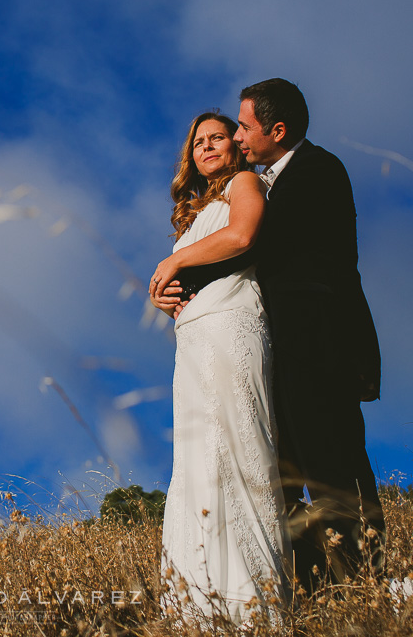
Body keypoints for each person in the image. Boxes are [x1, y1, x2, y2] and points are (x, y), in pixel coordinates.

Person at [231, 78, 384, 592]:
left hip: (320, 350)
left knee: (334, 469)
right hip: (280, 356)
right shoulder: (265, 181)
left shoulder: (319, 170)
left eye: (245, 127)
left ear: (278, 129)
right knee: (286, 477)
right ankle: (312, 588)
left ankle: (361, 584)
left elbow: (272, 250)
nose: (235, 137)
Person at [149, 111, 290, 624]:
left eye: (217, 138)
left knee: (236, 452)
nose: (207, 147)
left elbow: (243, 236)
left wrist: (173, 264)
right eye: (198, 143)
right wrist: (168, 297)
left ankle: (253, 607)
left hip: (234, 329)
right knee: (195, 462)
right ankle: (197, 606)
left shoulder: (246, 183)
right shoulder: (192, 212)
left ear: (235, 144)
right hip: (194, 340)